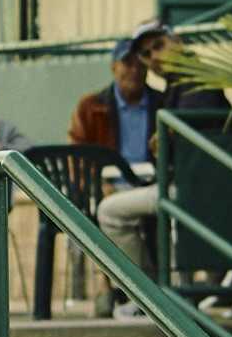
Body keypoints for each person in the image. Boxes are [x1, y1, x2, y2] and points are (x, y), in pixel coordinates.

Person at [74, 23, 174, 287]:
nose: (134, 69)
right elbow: (78, 156)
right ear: (113, 67)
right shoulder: (90, 106)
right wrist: (97, 185)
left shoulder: (163, 102)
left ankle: (142, 290)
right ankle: (134, 290)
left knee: (151, 219)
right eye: (126, 63)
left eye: (139, 63)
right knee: (110, 211)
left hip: (152, 183)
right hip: (108, 186)